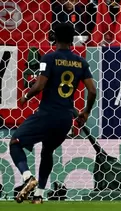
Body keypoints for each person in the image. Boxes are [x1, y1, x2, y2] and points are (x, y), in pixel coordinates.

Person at [9, 23, 96, 204]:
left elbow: (39, 85)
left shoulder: (48, 59)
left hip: (47, 114)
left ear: (54, 38)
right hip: (65, 119)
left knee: (15, 143)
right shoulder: (81, 62)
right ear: (72, 39)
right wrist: (86, 112)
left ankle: (27, 178)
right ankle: (39, 194)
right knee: (47, 152)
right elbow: (93, 91)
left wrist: (26, 95)